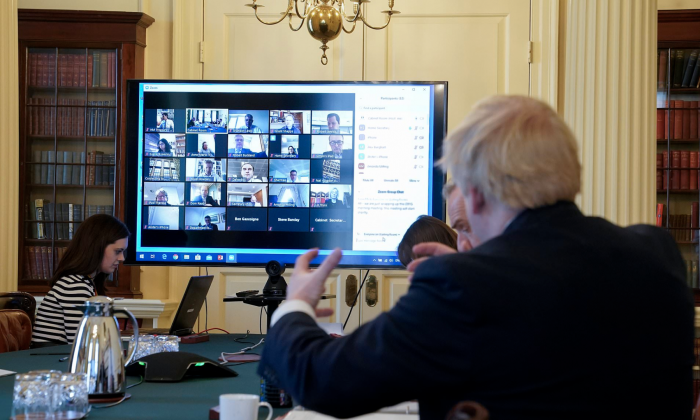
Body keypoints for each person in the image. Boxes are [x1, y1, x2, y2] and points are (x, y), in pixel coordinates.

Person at [257, 95, 694, 419]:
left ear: (475, 195)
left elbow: (321, 381)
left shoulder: (462, 286)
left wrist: (294, 305)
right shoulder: (656, 251)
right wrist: (459, 281)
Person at [32, 215, 130, 346]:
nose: (122, 258)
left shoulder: (82, 282)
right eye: (118, 251)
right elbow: (85, 345)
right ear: (96, 247)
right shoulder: (75, 285)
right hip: (53, 363)